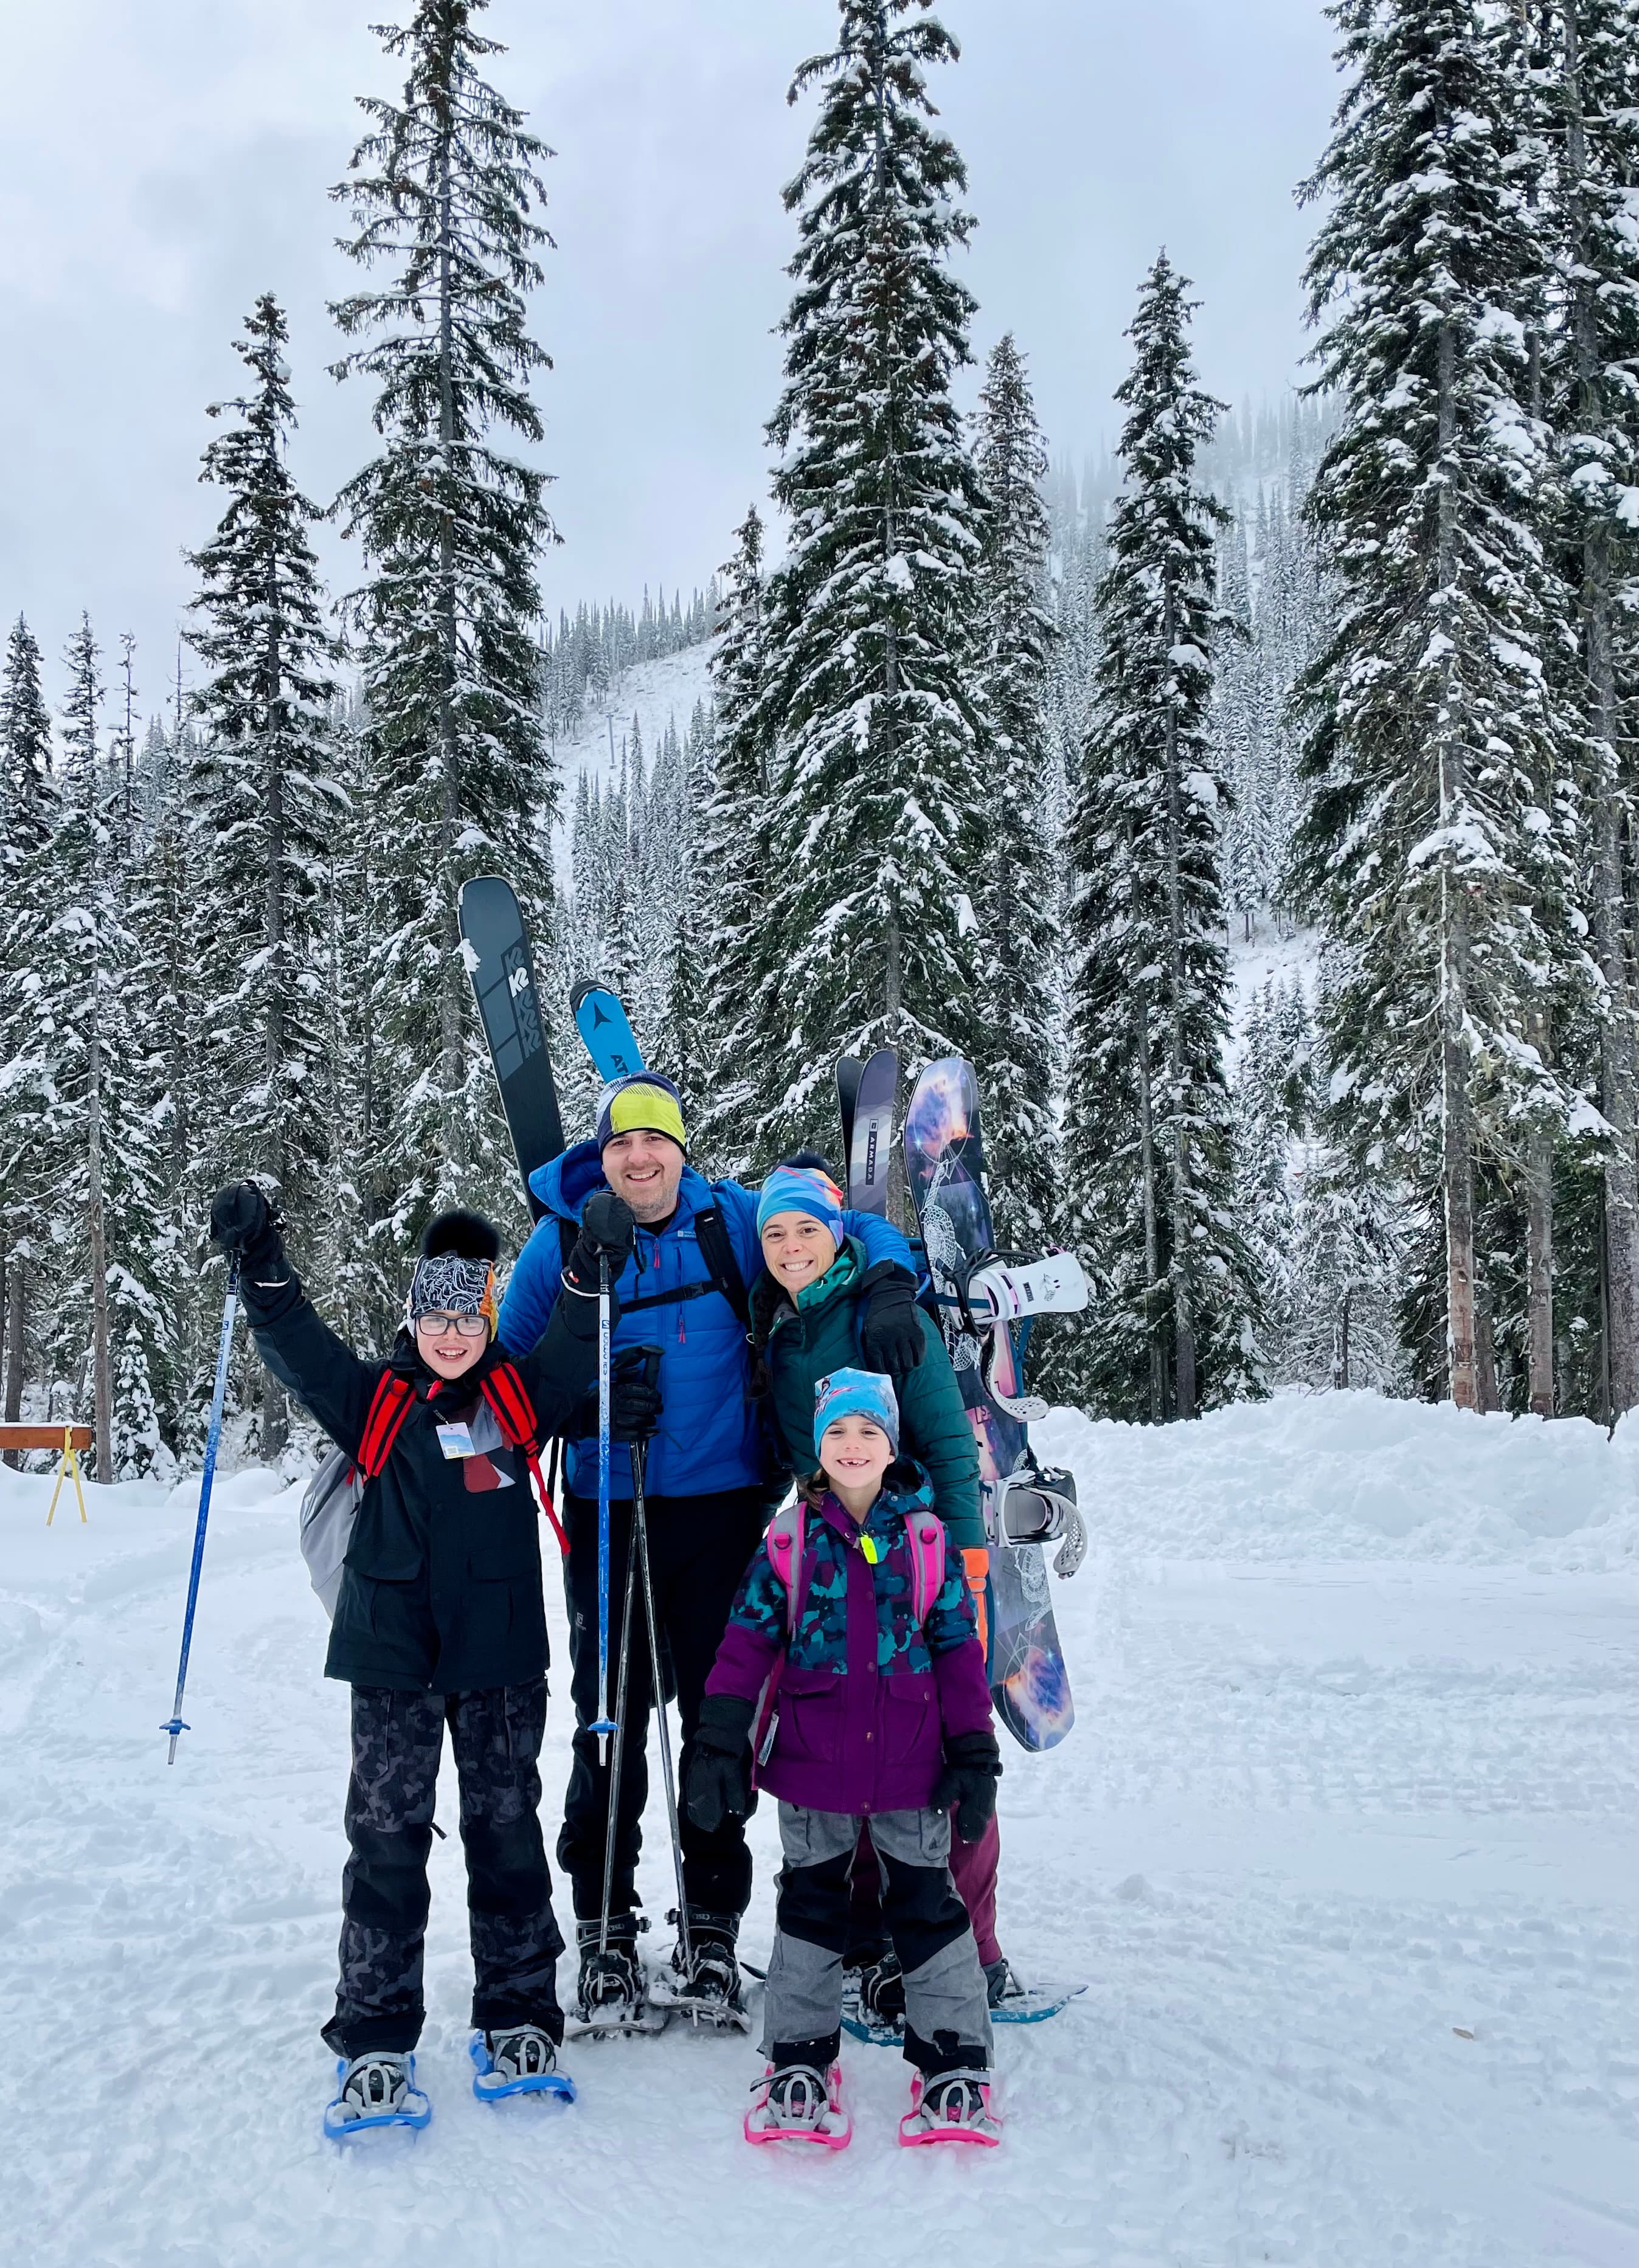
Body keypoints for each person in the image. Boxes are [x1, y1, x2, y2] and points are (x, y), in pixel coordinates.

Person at [496, 1072, 923, 2025]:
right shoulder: (561, 1238)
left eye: (656, 1139)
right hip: (608, 1505)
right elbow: (512, 1382)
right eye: (620, 1143)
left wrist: (892, 1281)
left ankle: (713, 1925)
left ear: (681, 1150)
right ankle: (605, 1924)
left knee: (716, 1719)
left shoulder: (728, 1217)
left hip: (723, 1507)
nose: (639, 1157)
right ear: (600, 1156)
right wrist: (588, 1401)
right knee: (607, 1717)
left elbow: (846, 1226)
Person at [210, 1182, 637, 2132]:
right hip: (392, 1657)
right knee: (386, 1841)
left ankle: (518, 2015)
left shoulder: (516, 1397)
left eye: (467, 1318)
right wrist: (261, 1262)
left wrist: (588, 1263)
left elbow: (576, 1339)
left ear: (486, 1320)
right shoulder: (375, 1399)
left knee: (507, 1834)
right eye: (435, 1318)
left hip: (499, 1657)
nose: (451, 1335)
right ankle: (375, 2032)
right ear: (412, 1317)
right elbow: (297, 1344)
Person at [685, 1369, 1003, 2148]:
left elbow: (958, 1653)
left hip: (911, 1765)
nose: (852, 1445)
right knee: (810, 1906)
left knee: (927, 1907)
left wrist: (974, 1751)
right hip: (812, 1763)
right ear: (817, 1446)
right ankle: (798, 2055)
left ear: (891, 1446)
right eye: (836, 1432)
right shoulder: (788, 1542)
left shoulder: (926, 1540)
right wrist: (718, 1739)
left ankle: (952, 2060)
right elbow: (745, 1644)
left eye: (867, 1431)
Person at [746, 1156, 1015, 2019]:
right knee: (850, 1749)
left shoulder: (883, 1311)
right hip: (830, 1564)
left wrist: (965, 1568)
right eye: (775, 1232)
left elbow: (950, 1447)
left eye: (807, 1229)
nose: (791, 1246)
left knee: (938, 1756)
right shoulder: (778, 1326)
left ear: (837, 1236)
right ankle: (872, 1938)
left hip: (918, 1562)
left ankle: (973, 1948)